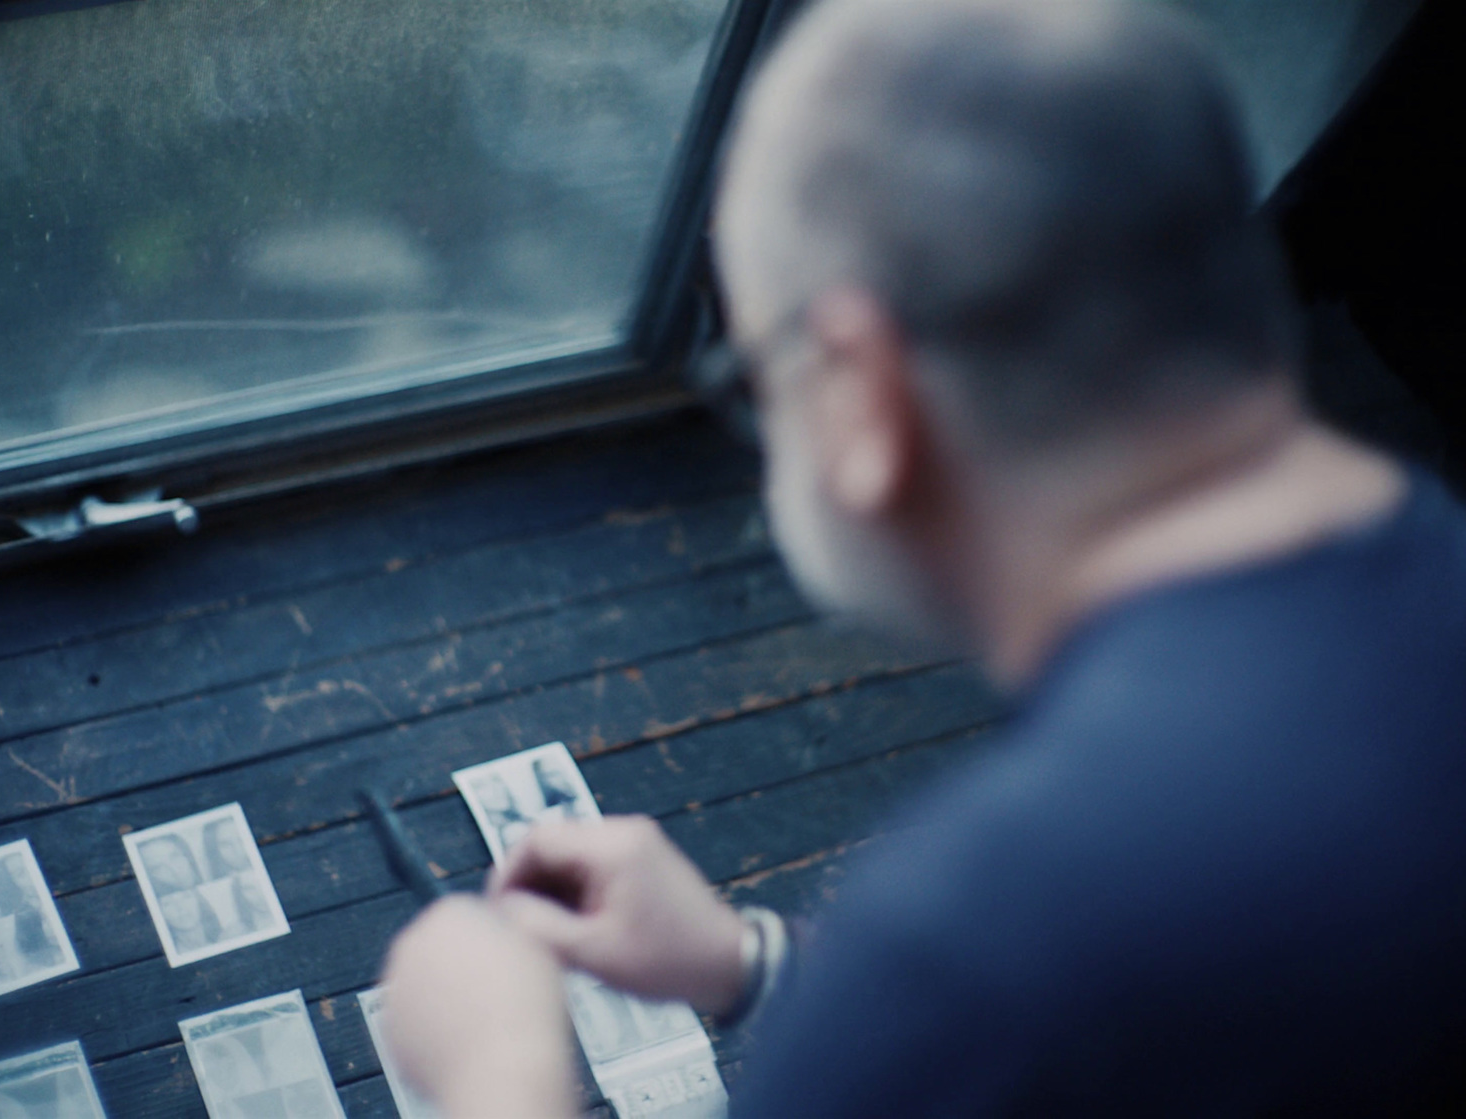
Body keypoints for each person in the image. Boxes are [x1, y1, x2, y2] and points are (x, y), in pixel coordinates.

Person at [378, 1, 1466, 1115]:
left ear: (859, 389)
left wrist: (494, 1074)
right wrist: (749, 962)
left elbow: (1010, 1007)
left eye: (753, 374)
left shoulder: (984, 931)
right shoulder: (1432, 561)